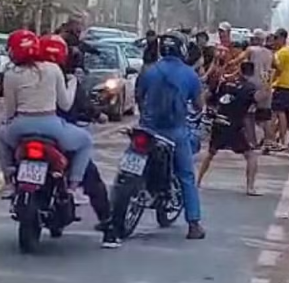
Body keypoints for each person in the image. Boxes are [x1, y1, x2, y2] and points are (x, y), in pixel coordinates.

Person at [38, 34, 120, 248]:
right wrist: (97, 113)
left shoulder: (27, 74)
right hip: (61, 137)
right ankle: (108, 226)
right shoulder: (66, 80)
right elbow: (81, 106)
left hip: (30, 134)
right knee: (91, 179)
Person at [0, 30, 92, 204]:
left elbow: (10, 112)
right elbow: (65, 104)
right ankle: (73, 187)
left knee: (1, 136)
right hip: (51, 126)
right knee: (85, 141)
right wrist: (72, 84)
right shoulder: (52, 69)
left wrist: (7, 123)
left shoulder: (10, 74)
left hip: (20, 127)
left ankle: (9, 181)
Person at [135, 31, 206, 240]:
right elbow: (199, 105)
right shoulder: (190, 75)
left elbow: (139, 96)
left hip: (147, 130)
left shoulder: (149, 71)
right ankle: (194, 224)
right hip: (174, 132)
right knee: (186, 176)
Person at [197, 62, 263, 196]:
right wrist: (268, 84)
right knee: (251, 155)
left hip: (219, 122)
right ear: (252, 73)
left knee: (210, 153)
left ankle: (197, 181)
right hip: (234, 126)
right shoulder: (249, 88)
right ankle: (250, 187)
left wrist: (206, 110)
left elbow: (208, 95)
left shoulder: (226, 84)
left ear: (239, 70)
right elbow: (260, 98)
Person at [270, 28, 289, 149]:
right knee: (281, 113)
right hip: (288, 84)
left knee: (278, 113)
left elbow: (277, 69)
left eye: (276, 38)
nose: (274, 41)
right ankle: (278, 139)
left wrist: (270, 83)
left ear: (282, 38)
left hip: (282, 84)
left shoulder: (282, 52)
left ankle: (279, 140)